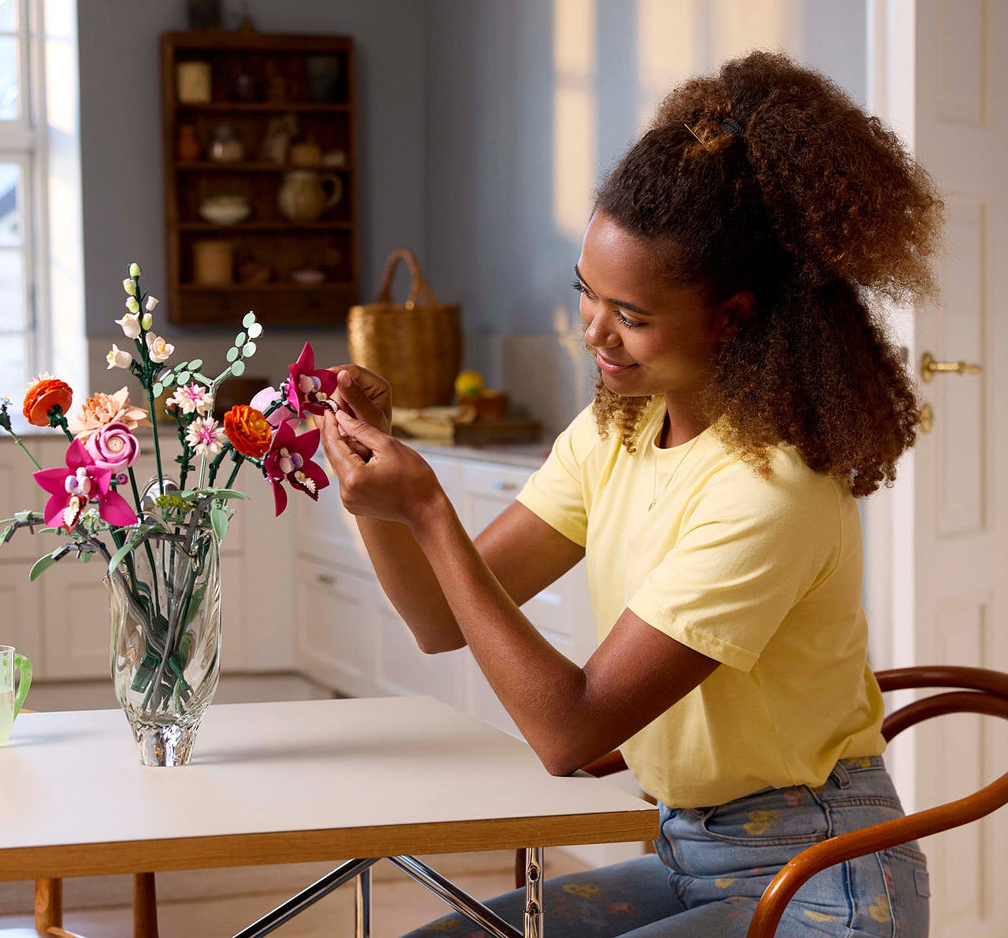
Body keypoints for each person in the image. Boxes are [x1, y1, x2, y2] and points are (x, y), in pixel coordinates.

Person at [317, 50, 943, 937]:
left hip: (822, 880)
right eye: (588, 293)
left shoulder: (771, 489)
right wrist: (374, 493)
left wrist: (426, 508)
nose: (596, 333)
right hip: (689, 856)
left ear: (733, 314)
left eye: (634, 315)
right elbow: (436, 619)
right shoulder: (615, 429)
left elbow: (567, 732)